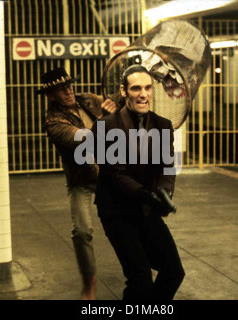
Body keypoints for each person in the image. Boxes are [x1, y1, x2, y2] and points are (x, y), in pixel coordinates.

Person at [91, 65, 185, 300]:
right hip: (117, 211)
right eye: (136, 88)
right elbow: (116, 174)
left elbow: (166, 166)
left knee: (174, 271)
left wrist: (165, 193)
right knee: (140, 278)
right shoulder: (105, 127)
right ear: (124, 91)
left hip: (146, 208)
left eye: (147, 88)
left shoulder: (162, 125)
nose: (143, 94)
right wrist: (149, 195)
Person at [39, 67, 116, 300]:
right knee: (82, 232)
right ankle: (89, 285)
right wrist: (105, 119)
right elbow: (86, 141)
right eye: (61, 89)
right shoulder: (53, 121)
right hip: (81, 180)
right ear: (50, 95)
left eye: (69, 85)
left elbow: (118, 103)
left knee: (128, 221)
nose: (69, 90)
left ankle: (138, 272)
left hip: (110, 173)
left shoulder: (88, 100)